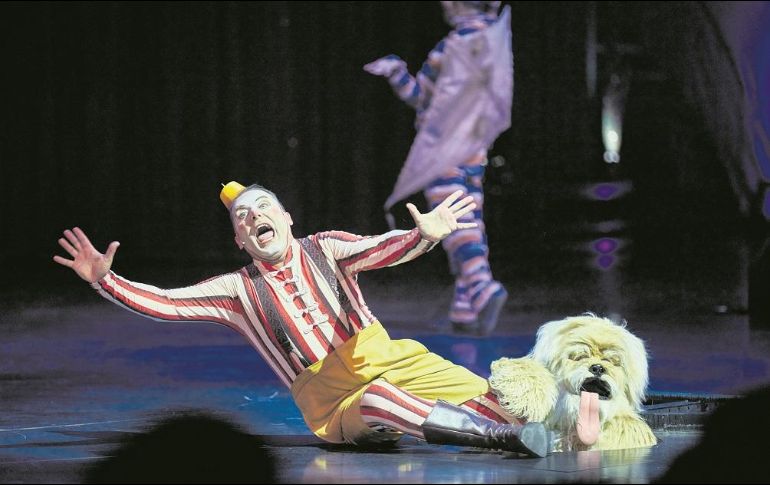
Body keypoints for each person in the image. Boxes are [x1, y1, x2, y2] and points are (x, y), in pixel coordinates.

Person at [53, 181, 549, 457]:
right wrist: (105, 280)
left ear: (287, 218)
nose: (251, 218)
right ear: (240, 243)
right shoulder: (237, 290)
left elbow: (380, 249)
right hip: (337, 400)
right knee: (378, 399)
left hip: (391, 358)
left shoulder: (325, 247)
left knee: (489, 392)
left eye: (261, 208)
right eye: (241, 219)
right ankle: (497, 440)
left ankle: (559, 433)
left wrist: (423, 236)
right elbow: (164, 303)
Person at [364, 1, 512, 336]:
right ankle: (465, 306)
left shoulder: (455, 46)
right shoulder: (495, 41)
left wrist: (396, 71)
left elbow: (422, 97)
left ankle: (482, 285)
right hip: (475, 145)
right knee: (466, 214)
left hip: (446, 145)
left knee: (452, 218)